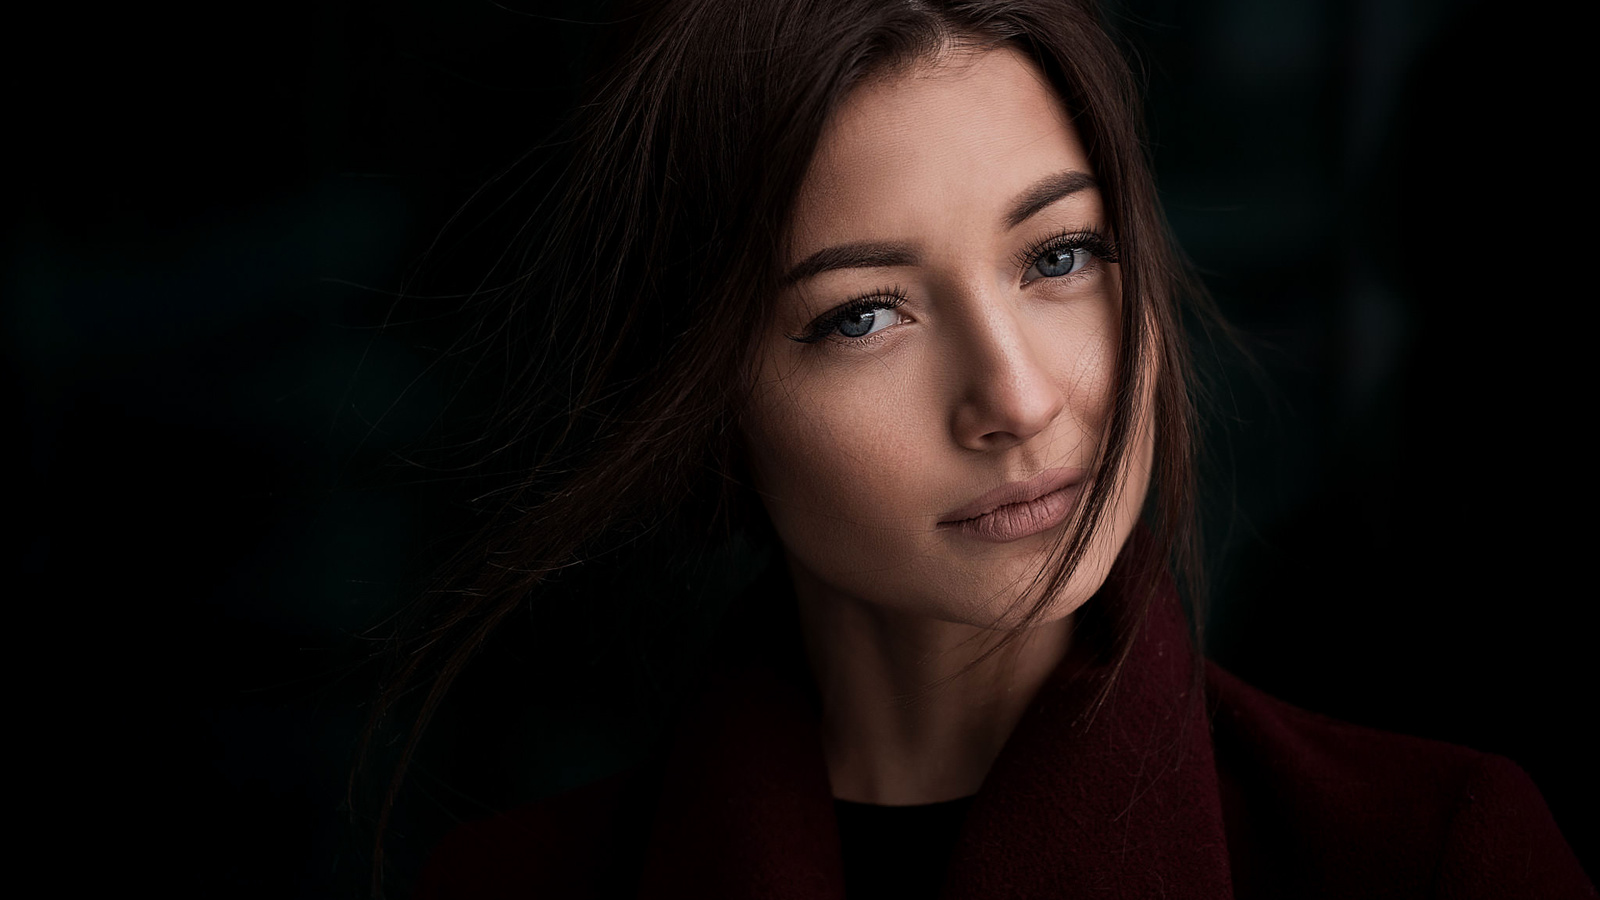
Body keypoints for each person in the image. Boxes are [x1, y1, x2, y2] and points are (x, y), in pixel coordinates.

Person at [369, 0, 1593, 897]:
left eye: (1059, 255)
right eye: (864, 315)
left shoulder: (1430, 855)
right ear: (703, 399)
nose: (1013, 397)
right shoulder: (507, 886)